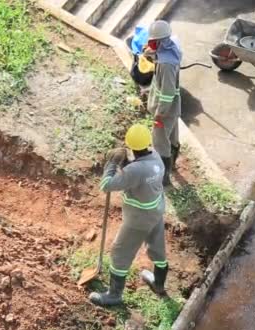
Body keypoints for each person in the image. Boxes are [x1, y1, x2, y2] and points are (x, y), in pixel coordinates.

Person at [89, 124, 169, 307]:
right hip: (156, 212)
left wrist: (111, 164)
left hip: (138, 220)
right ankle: (158, 285)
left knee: (119, 253)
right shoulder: (155, 157)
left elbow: (106, 185)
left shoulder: (136, 171)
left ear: (131, 146)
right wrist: (125, 163)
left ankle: (114, 295)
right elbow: (138, 175)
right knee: (157, 249)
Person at [145, 20, 182, 186]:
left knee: (160, 142)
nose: (151, 43)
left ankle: (163, 178)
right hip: (173, 108)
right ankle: (172, 165)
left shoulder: (166, 65)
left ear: (160, 41)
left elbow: (166, 94)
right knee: (172, 137)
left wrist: (159, 115)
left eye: (153, 41)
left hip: (165, 110)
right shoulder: (171, 48)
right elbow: (154, 54)